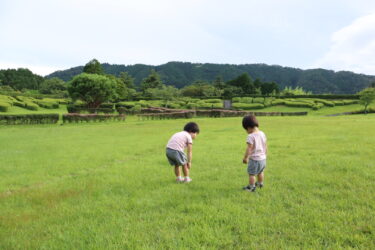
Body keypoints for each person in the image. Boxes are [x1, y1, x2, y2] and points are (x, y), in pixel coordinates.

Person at [242, 115, 267, 192]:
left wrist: (245, 158)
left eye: (246, 129)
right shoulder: (262, 133)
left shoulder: (251, 136)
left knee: (252, 174)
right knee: (260, 172)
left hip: (254, 159)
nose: (246, 132)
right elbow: (265, 145)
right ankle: (260, 183)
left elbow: (249, 148)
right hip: (263, 158)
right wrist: (265, 154)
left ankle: (251, 187)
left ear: (249, 127)